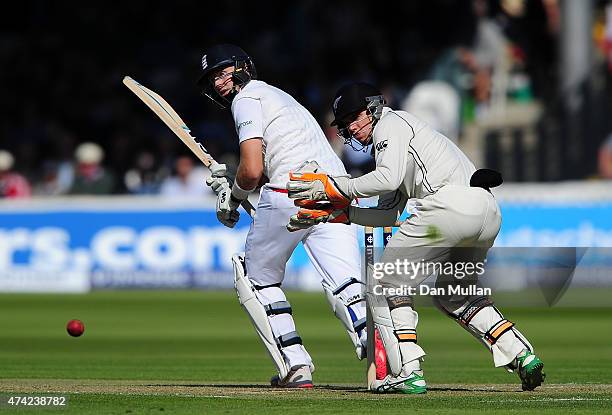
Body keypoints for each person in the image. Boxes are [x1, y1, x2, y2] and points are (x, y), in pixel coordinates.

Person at [287, 82, 545, 394]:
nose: (352, 128)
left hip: (447, 211)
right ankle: (522, 355)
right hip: (485, 213)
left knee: (384, 284)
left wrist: (333, 187)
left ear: (373, 108)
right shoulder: (396, 146)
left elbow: (387, 178)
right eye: (345, 124)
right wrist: (339, 215)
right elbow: (388, 215)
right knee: (456, 295)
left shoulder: (391, 124)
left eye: (355, 118)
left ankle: (409, 371)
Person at [197, 44, 367, 388]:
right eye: (212, 77)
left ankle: (295, 365)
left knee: (254, 276)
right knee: (348, 286)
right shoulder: (281, 98)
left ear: (243, 67)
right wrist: (237, 185)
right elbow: (260, 168)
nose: (218, 82)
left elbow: (252, 171)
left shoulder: (246, 99)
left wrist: (232, 198)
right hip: (335, 191)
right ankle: (387, 359)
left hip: (291, 188)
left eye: (223, 71)